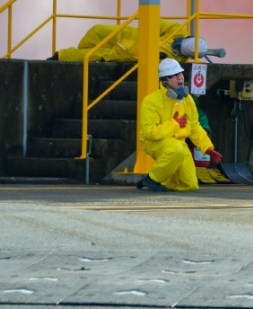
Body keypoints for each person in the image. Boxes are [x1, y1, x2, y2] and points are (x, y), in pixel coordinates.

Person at [136, 58, 222, 191]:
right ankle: (152, 179)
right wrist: (174, 124)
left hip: (179, 145)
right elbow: (150, 132)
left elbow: (194, 127)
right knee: (176, 149)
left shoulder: (187, 100)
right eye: (175, 75)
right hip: (155, 142)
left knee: (190, 185)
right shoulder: (151, 101)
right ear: (165, 81)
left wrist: (207, 147)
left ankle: (163, 182)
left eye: (180, 74)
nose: (180, 77)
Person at [51, 19, 204, 63]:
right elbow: (157, 24)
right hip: (129, 35)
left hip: (126, 54)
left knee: (96, 54)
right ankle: (72, 54)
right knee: (97, 31)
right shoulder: (178, 31)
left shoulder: (175, 60)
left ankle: (61, 56)